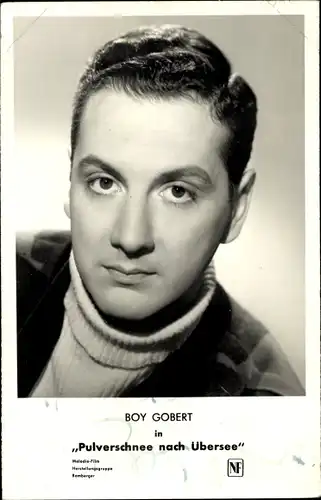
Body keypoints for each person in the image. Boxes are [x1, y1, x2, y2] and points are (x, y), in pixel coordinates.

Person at [16, 24, 304, 398]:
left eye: (178, 192)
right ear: (70, 179)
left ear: (237, 208)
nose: (130, 238)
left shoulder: (262, 403)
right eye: (104, 183)